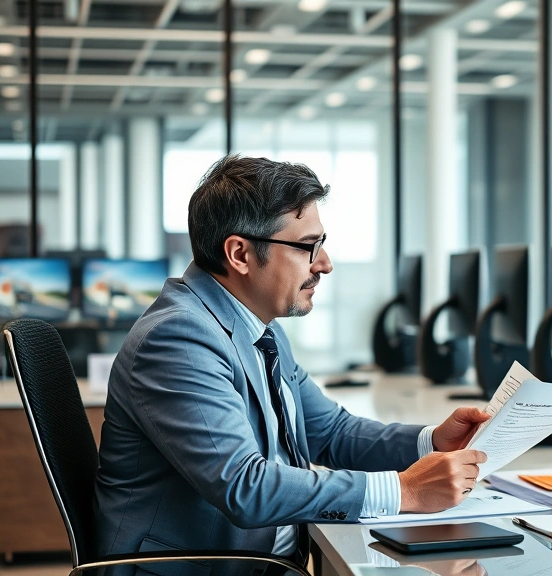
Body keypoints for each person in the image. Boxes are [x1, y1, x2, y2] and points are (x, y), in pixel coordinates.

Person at [92, 155, 489, 571]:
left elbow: (331, 432)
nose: (325, 263)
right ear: (240, 254)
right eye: (307, 247)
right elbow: (245, 487)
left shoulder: (258, 326)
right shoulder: (177, 339)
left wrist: (430, 443)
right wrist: (404, 491)